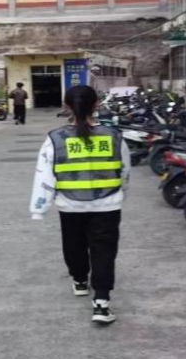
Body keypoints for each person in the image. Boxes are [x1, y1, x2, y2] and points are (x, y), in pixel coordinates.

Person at [29, 85, 130, 324]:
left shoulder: (55, 138)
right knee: (104, 252)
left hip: (70, 205)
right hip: (107, 205)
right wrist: (121, 194)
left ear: (66, 106)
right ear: (97, 105)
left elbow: (44, 176)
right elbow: (124, 171)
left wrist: (39, 209)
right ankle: (101, 303)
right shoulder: (114, 136)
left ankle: (80, 281)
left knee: (73, 245)